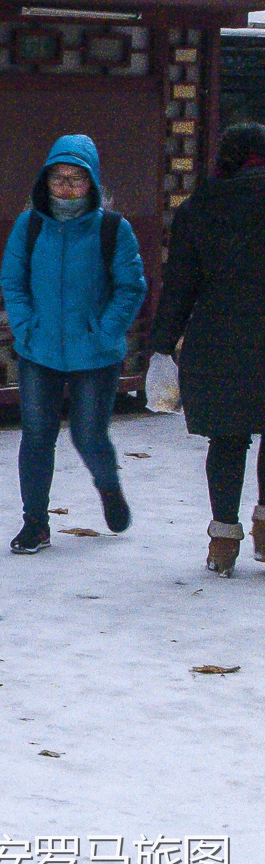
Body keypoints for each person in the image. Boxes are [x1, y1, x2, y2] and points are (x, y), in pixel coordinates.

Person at [0, 134, 146, 554]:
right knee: (37, 435)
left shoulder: (114, 229)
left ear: (92, 182)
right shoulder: (29, 226)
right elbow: (13, 280)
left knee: (88, 435)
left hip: (94, 355)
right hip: (39, 350)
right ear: (45, 182)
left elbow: (130, 288)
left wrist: (105, 332)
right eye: (58, 178)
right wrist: (25, 326)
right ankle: (35, 524)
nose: (65, 186)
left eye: (76, 179)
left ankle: (108, 485)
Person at [146, 122, 265, 575]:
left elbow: (179, 285)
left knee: (228, 439)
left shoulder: (199, 207)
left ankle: (223, 541)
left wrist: (161, 346)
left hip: (218, 340)